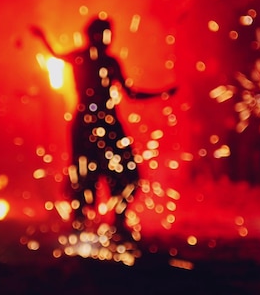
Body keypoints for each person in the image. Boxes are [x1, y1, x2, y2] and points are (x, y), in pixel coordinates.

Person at [31, 17, 176, 240]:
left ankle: (117, 220)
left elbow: (131, 93)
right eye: (101, 34)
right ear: (91, 36)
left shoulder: (110, 62)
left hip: (108, 124)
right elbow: (56, 55)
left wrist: (162, 93)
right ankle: (80, 223)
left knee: (125, 172)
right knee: (84, 173)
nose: (105, 40)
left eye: (107, 34)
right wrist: (43, 39)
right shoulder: (82, 57)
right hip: (88, 124)